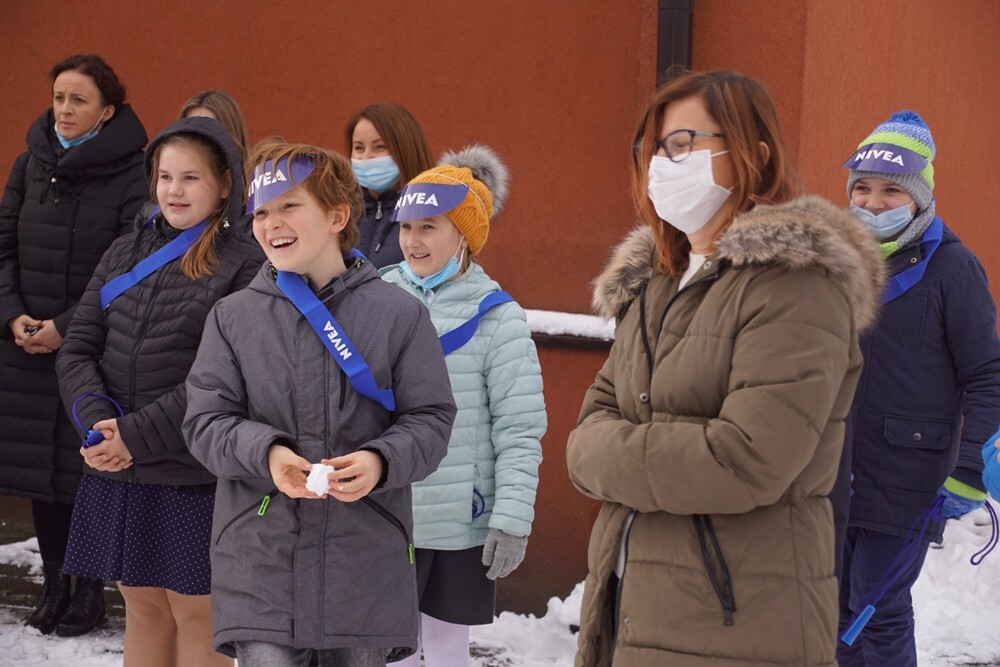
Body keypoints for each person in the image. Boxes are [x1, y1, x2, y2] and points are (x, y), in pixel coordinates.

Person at [565, 69, 886, 666]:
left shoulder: (797, 287)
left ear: (750, 156)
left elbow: (747, 460)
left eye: (684, 144)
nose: (664, 162)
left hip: (741, 624)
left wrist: (615, 454)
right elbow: (584, 437)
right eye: (655, 147)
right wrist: (636, 451)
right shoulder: (657, 284)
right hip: (634, 612)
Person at [182, 139, 457, 666]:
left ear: (337, 215)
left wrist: (381, 460)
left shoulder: (400, 315)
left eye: (289, 206)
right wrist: (267, 454)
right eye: (261, 211)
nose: (271, 223)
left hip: (364, 558)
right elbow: (204, 421)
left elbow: (431, 419)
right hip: (259, 554)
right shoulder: (233, 317)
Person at [55, 116, 263, 666]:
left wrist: (134, 435)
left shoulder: (247, 265)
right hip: (116, 464)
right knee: (142, 608)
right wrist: (99, 424)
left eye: (190, 178)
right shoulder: (124, 252)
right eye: (165, 176)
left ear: (224, 183)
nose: (174, 190)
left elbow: (222, 378)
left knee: (199, 613)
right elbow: (77, 348)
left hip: (193, 473)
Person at [836, 111, 1000, 666]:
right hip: (830, 471)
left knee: (876, 613)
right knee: (830, 608)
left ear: (921, 197)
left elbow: (988, 375)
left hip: (907, 474)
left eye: (891, 191)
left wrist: (971, 469)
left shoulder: (953, 269)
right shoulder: (830, 265)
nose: (874, 203)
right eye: (862, 188)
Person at [381, 146, 546, 666]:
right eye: (407, 226)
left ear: (464, 235)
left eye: (428, 226)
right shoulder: (377, 296)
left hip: (460, 523)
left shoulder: (500, 319)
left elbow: (519, 430)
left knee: (448, 649)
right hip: (386, 511)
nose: (412, 240)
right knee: (391, 649)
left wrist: (512, 518)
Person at [0, 53, 147, 636]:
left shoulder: (133, 175)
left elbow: (124, 269)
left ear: (106, 111)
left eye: (79, 99)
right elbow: (3, 246)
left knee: (84, 467)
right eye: (59, 97)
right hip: (25, 345)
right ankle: (54, 585)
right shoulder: (27, 165)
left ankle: (89, 590)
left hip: (88, 346)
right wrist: (12, 315)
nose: (64, 109)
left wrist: (66, 325)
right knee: (40, 470)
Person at [346, 102, 433, 268]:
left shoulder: (433, 208)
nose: (366, 157)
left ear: (405, 149)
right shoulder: (341, 212)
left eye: (380, 147)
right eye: (358, 147)